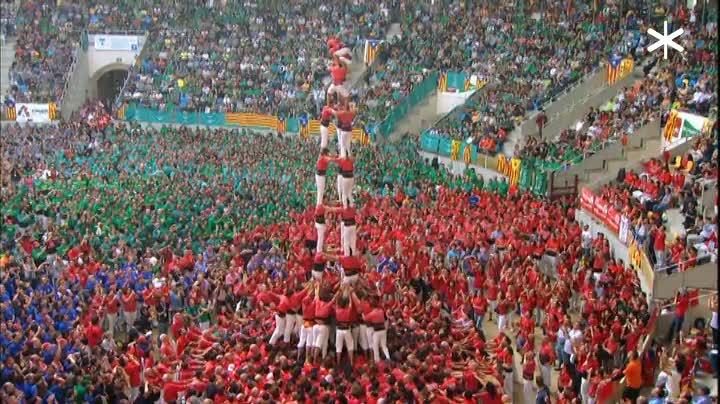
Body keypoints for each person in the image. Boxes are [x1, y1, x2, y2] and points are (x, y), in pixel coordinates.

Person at [334, 287, 355, 367]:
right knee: (350, 346)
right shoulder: (348, 310)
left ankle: (338, 363)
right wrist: (349, 294)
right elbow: (351, 304)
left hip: (339, 330)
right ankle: (352, 362)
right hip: (347, 330)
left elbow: (336, 302)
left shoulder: (337, 310)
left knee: (338, 347)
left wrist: (339, 292)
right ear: (345, 304)